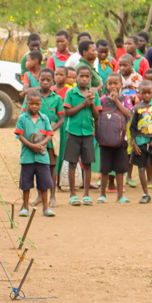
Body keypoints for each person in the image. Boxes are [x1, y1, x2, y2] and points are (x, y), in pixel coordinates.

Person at [61, 66, 101, 206]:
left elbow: (97, 116)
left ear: (90, 79)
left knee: (87, 163)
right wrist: (84, 104)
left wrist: (91, 105)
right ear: (76, 77)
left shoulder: (94, 95)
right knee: (72, 163)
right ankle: (72, 195)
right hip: (73, 132)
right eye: (81, 76)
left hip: (88, 133)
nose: (84, 79)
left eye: (87, 77)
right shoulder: (71, 93)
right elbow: (67, 113)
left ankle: (86, 195)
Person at [14, 91, 57, 218]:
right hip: (27, 157)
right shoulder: (22, 118)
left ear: (40, 105)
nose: (34, 106)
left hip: (42, 157)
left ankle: (46, 208)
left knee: (44, 183)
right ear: (26, 104)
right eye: (31, 103)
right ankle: (25, 207)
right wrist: (31, 145)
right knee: (26, 184)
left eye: (37, 104)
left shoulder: (44, 119)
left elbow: (49, 134)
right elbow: (20, 135)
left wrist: (41, 144)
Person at [98, 73, 133, 203]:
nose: (113, 86)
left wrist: (117, 101)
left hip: (121, 139)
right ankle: (102, 195)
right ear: (106, 86)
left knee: (120, 168)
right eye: (110, 84)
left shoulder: (125, 99)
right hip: (105, 139)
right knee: (105, 168)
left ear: (121, 85)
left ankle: (120, 195)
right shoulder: (102, 100)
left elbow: (129, 114)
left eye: (116, 83)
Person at [33, 68, 65, 206]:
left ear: (53, 81)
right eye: (42, 79)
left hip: (52, 134)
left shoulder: (57, 98)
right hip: (35, 133)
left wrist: (50, 130)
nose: (45, 82)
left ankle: (52, 196)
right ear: (38, 80)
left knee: (52, 166)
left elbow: (61, 119)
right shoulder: (33, 96)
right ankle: (40, 195)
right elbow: (25, 115)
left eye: (48, 80)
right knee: (38, 165)